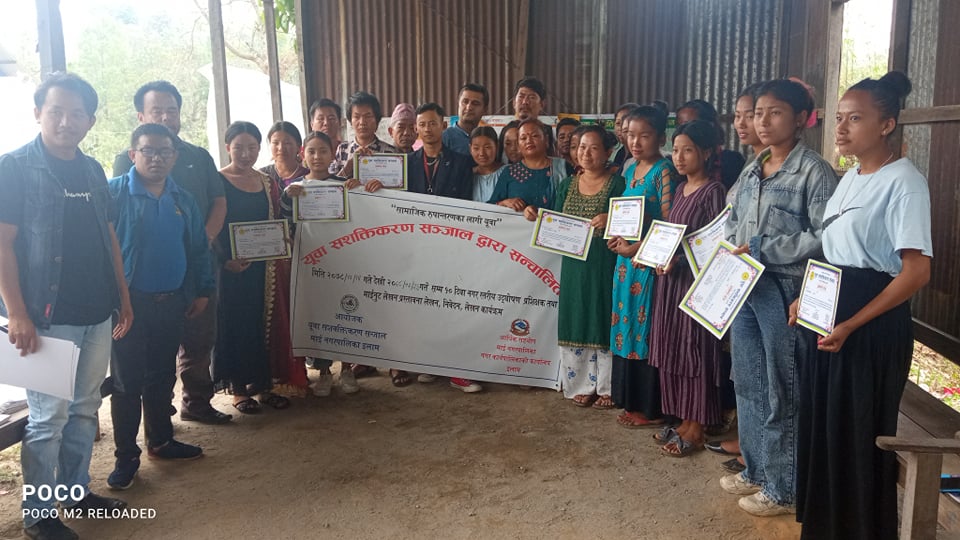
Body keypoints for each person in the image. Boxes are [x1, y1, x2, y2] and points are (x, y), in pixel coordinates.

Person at [793, 72, 930, 540]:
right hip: (830, 315)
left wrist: (852, 323)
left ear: (887, 124)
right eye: (839, 117)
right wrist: (807, 297)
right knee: (826, 426)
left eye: (855, 118)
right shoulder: (850, 176)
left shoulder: (905, 182)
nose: (841, 127)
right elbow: (836, 253)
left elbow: (915, 272)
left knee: (856, 433)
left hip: (869, 325)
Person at [0, 72, 132, 540]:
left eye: (77, 114)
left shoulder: (93, 169)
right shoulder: (14, 167)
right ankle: (38, 515)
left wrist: (123, 298)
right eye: (56, 111)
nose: (65, 121)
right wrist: (17, 313)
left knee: (85, 408)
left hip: (96, 313)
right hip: (44, 317)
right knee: (47, 419)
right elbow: (3, 245)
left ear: (90, 121)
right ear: (38, 112)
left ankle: (76, 493)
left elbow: (110, 237)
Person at [721, 79, 838, 517]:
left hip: (787, 288)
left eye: (775, 113)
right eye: (758, 113)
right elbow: (733, 221)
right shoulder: (753, 169)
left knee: (781, 388)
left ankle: (783, 487)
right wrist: (733, 249)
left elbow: (826, 237)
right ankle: (755, 469)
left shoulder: (814, 171)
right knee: (748, 381)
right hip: (746, 285)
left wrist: (764, 248)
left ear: (800, 118)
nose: (762, 122)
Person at [112, 80, 231, 425]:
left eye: (171, 110)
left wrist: (202, 238)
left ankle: (196, 401)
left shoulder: (197, 156)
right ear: (141, 116)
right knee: (149, 353)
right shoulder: (125, 160)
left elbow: (218, 201)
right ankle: (157, 416)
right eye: (156, 111)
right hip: (145, 275)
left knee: (199, 337)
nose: (165, 117)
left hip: (197, 262)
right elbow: (120, 218)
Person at [107, 123, 215, 490]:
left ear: (175, 156)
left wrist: (202, 290)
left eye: (164, 152)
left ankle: (161, 441)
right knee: (126, 383)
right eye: (148, 151)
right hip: (128, 307)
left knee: (162, 376)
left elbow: (199, 249)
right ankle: (126, 458)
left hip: (171, 302)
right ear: (133, 154)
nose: (156, 158)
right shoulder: (114, 194)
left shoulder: (183, 199)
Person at [524, 125, 625, 407]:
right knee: (576, 316)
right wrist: (535, 215)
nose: (586, 153)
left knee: (602, 316)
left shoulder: (619, 184)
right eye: (581, 147)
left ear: (608, 152)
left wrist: (611, 219)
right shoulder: (566, 185)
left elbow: (632, 221)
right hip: (573, 268)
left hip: (604, 265)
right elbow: (555, 223)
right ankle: (581, 384)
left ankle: (606, 387)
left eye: (594, 148)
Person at [215, 121, 307, 413]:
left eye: (252, 148)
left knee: (264, 325)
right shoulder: (217, 181)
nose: (246, 154)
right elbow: (211, 229)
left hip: (265, 268)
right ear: (228, 147)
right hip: (232, 269)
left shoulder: (266, 181)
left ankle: (265, 387)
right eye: (239, 147)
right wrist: (224, 261)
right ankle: (239, 391)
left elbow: (277, 219)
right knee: (236, 325)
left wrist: (283, 239)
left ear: (259, 149)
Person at [648, 120, 727, 457]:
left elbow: (716, 246)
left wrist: (678, 260)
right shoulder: (680, 189)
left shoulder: (713, 191)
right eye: (676, 150)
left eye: (688, 150)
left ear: (706, 153)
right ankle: (682, 418)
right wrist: (653, 254)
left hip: (696, 287)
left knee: (694, 352)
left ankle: (697, 426)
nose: (679, 157)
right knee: (672, 349)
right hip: (670, 284)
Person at [707, 81, 767, 469]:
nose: (743, 123)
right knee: (746, 373)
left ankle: (761, 455)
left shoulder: (804, 169)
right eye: (740, 115)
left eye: (754, 114)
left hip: (769, 283)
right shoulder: (752, 166)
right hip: (739, 278)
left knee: (765, 375)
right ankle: (749, 442)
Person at [607, 106, 676, 428]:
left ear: (661, 138)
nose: (635, 142)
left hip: (648, 263)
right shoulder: (629, 167)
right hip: (624, 264)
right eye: (630, 135)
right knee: (625, 326)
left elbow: (670, 223)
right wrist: (615, 237)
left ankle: (651, 408)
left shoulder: (664, 170)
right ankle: (629, 399)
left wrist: (638, 248)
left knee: (646, 329)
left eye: (644, 135)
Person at [280, 131, 358, 395]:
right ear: (303, 154)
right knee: (319, 314)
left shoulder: (345, 185)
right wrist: (288, 197)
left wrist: (358, 190)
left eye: (323, 151)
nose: (317, 157)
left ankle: (347, 369)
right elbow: (285, 225)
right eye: (311, 151)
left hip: (344, 261)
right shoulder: (295, 188)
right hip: (310, 262)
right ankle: (324, 372)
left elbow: (362, 216)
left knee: (346, 312)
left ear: (333, 154)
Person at [488, 119, 561, 212]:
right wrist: (504, 203)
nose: (529, 141)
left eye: (534, 136)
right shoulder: (509, 172)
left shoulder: (563, 167)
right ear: (519, 144)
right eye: (523, 138)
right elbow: (490, 207)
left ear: (546, 139)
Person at [675, 99, 745, 190]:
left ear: (711, 126)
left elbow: (737, 195)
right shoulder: (678, 164)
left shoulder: (732, 161)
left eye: (692, 126)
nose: (685, 131)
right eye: (681, 126)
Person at [333, 91, 398, 178]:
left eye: (368, 116)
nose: (362, 122)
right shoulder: (342, 149)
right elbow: (332, 184)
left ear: (377, 120)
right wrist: (349, 165)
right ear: (350, 121)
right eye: (356, 117)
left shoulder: (390, 151)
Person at [260, 121, 309, 190]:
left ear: (298, 147)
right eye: (275, 143)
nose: (281, 148)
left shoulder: (308, 175)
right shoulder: (262, 175)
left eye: (287, 143)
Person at [443, 83, 489, 155]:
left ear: (485, 109)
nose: (469, 107)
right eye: (465, 102)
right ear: (458, 103)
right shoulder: (445, 138)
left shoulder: (487, 138)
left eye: (475, 103)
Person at [308, 98, 344, 174]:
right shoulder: (305, 153)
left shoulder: (347, 150)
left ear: (340, 123)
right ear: (312, 124)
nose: (326, 123)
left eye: (331, 118)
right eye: (320, 119)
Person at [469, 126, 502, 203]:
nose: (482, 153)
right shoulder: (467, 176)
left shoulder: (507, 172)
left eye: (487, 147)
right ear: (470, 149)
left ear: (497, 146)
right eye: (476, 148)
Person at [609, 102, 640, 171]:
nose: (621, 128)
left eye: (626, 123)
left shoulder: (640, 154)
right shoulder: (621, 153)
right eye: (618, 123)